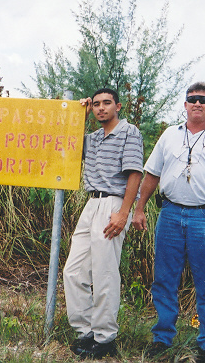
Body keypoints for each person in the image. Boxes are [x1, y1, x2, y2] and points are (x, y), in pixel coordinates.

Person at [132, 82, 205, 362]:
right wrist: (139, 209)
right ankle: (162, 338)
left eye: (203, 100)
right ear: (184, 104)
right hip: (170, 215)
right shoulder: (170, 136)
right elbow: (151, 175)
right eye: (192, 99)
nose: (197, 103)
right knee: (164, 280)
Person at [63, 88, 144, 359]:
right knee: (73, 271)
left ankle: (104, 336)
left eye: (106, 103)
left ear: (117, 106)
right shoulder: (93, 138)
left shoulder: (128, 132)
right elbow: (68, 143)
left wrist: (124, 212)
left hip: (113, 204)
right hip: (91, 204)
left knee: (104, 273)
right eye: (96, 104)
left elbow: (134, 173)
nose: (100, 108)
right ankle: (84, 331)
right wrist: (82, 116)